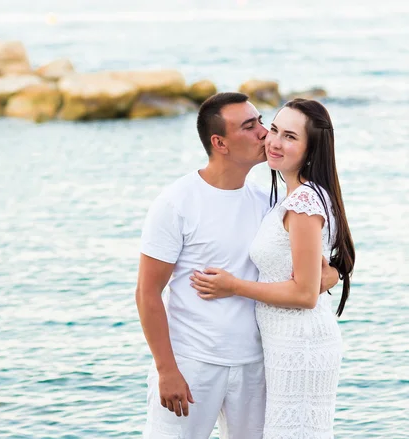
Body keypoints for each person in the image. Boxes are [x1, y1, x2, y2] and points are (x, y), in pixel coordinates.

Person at [135, 92, 339, 439]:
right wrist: (166, 369)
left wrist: (327, 276)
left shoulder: (269, 202)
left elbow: (314, 267)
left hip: (257, 364)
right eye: (251, 126)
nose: (265, 134)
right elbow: (146, 293)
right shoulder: (176, 202)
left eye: (262, 122)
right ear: (220, 143)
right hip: (192, 362)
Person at [191, 98, 355, 438]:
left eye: (290, 137)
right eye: (275, 129)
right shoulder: (296, 197)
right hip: (284, 341)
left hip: (302, 342)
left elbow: (305, 294)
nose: (275, 142)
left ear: (311, 149)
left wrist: (233, 286)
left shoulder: (303, 203)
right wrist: (330, 275)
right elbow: (318, 272)